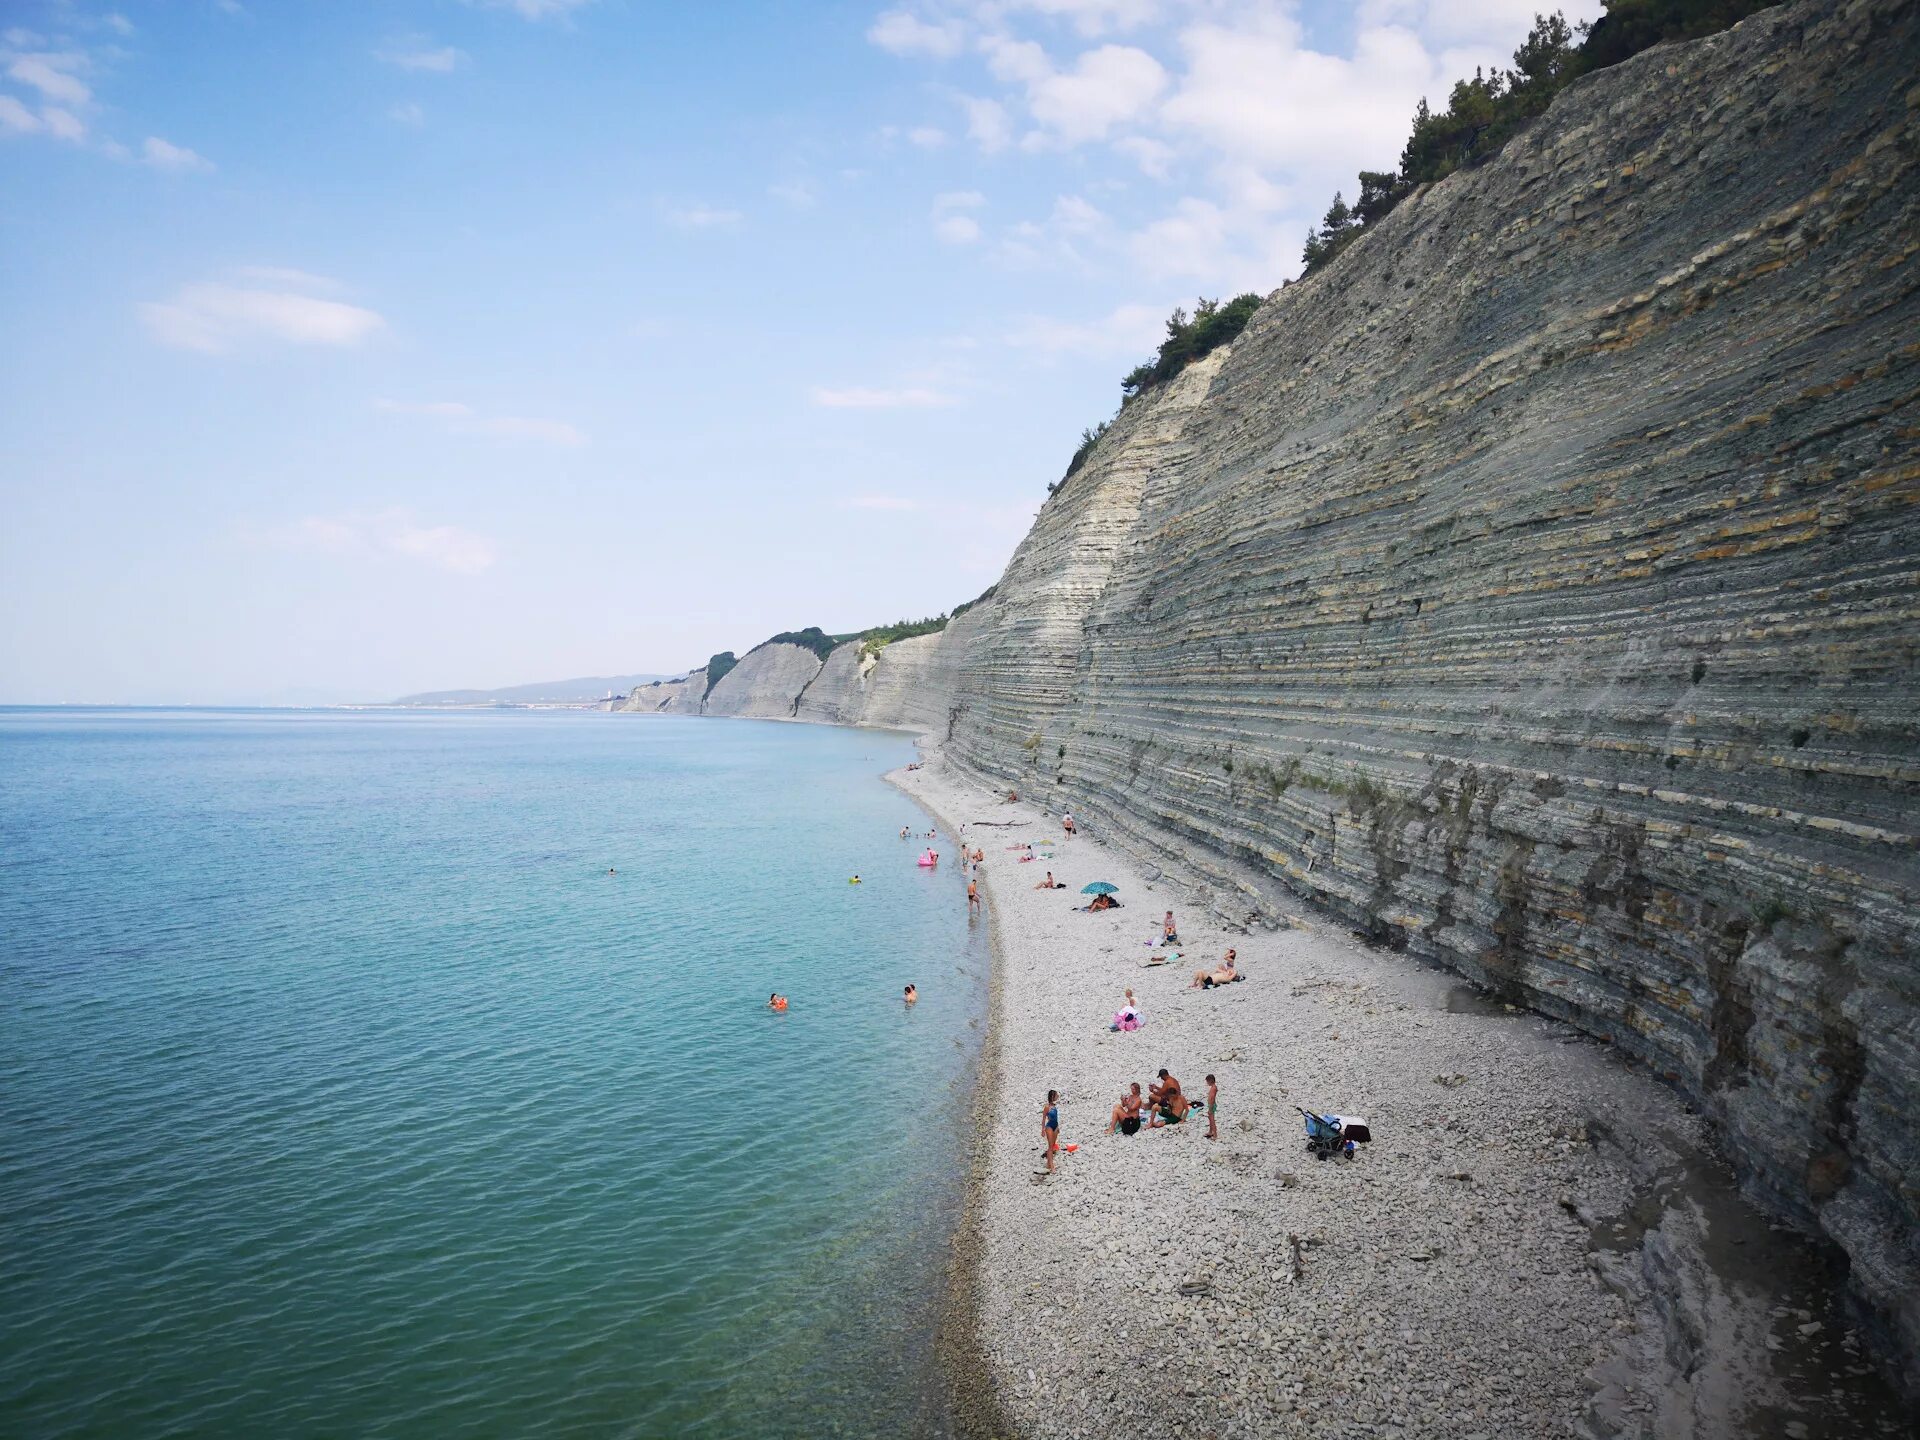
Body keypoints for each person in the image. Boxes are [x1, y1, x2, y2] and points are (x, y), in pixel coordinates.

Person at [1041, 1089, 1060, 1173]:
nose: (1057, 1097)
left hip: (1055, 1126)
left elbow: (1056, 1118)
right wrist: (1042, 1130)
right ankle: (1052, 1167)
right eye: (1056, 1095)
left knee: (1053, 1145)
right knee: (1050, 1147)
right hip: (1049, 1127)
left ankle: (1049, 1163)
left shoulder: (1054, 1106)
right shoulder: (1047, 1107)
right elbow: (1044, 1119)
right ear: (1053, 1096)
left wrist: (1058, 1127)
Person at [1204, 1074, 1218, 1140]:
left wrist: (1210, 1108)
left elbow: (1212, 1099)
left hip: (1211, 1105)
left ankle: (1215, 1134)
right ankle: (1210, 1131)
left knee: (1212, 1120)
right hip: (1211, 1105)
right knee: (1210, 1118)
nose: (1207, 1083)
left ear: (1210, 1081)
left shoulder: (1213, 1088)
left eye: (1207, 1082)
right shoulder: (1213, 1087)